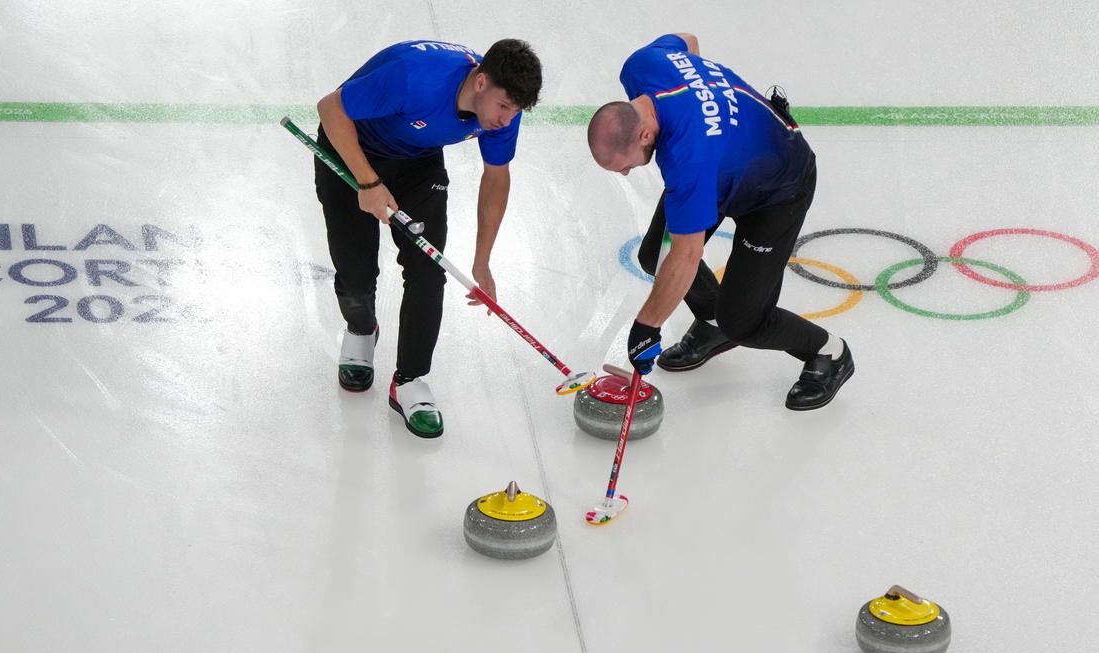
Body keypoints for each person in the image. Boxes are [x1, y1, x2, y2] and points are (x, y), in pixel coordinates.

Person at [587, 33, 853, 410]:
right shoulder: (642, 66)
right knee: (655, 256)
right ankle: (711, 324)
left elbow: (686, 257)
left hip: (779, 189)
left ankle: (829, 352)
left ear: (644, 133)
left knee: (743, 322)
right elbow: (688, 40)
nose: (627, 172)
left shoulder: (688, 159)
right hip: (720, 171)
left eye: (626, 165)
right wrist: (711, 114)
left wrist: (646, 326)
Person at [313, 38, 542, 437]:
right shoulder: (414, 77)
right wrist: (368, 182)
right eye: (505, 107)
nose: (507, 120)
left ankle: (410, 380)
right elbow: (330, 108)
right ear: (481, 82)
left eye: (516, 111)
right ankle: (361, 329)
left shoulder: (502, 111)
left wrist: (482, 260)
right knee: (356, 269)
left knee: (428, 270)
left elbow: (496, 178)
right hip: (350, 147)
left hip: (417, 161)